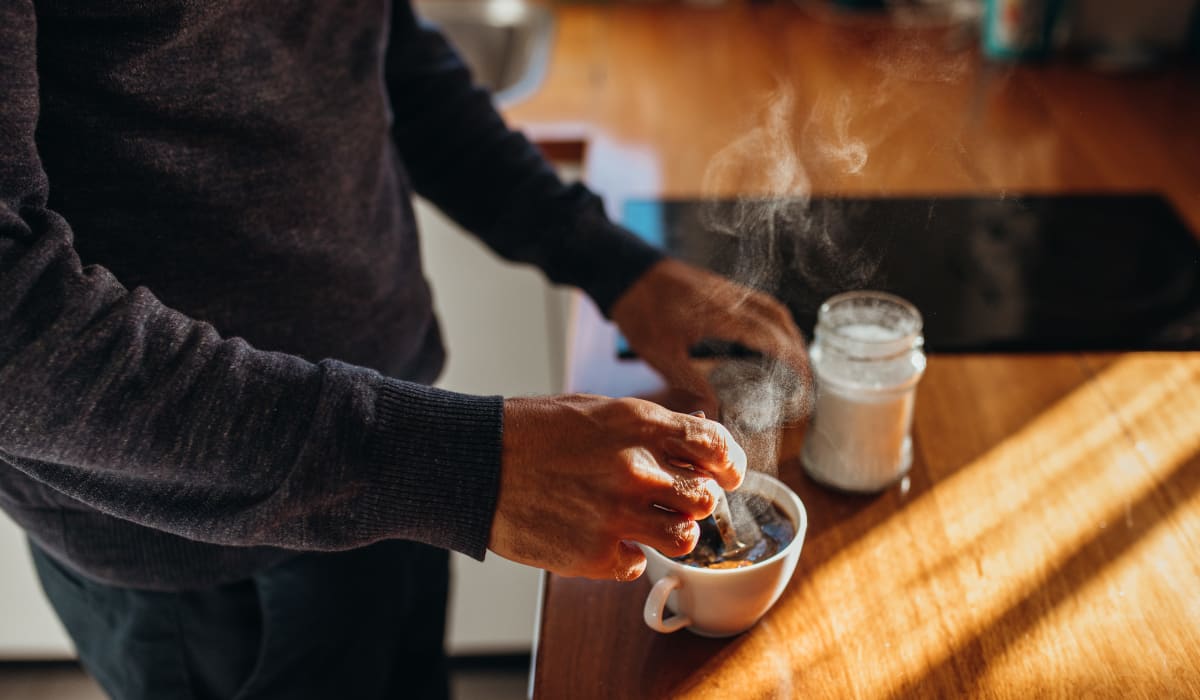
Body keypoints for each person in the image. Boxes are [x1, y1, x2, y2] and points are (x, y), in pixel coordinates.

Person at [0, 1, 808, 698]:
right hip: (198, 543)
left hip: (401, 459)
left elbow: (387, 55)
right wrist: (461, 468)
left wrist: (609, 261)